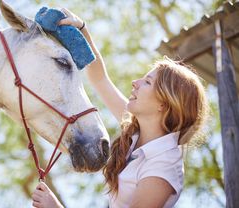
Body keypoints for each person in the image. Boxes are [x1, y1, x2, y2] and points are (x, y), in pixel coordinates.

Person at [32, 8, 209, 208]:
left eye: (148, 82)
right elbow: (99, 78)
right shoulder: (134, 131)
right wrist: (82, 29)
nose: (135, 82)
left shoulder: (163, 166)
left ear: (164, 104)